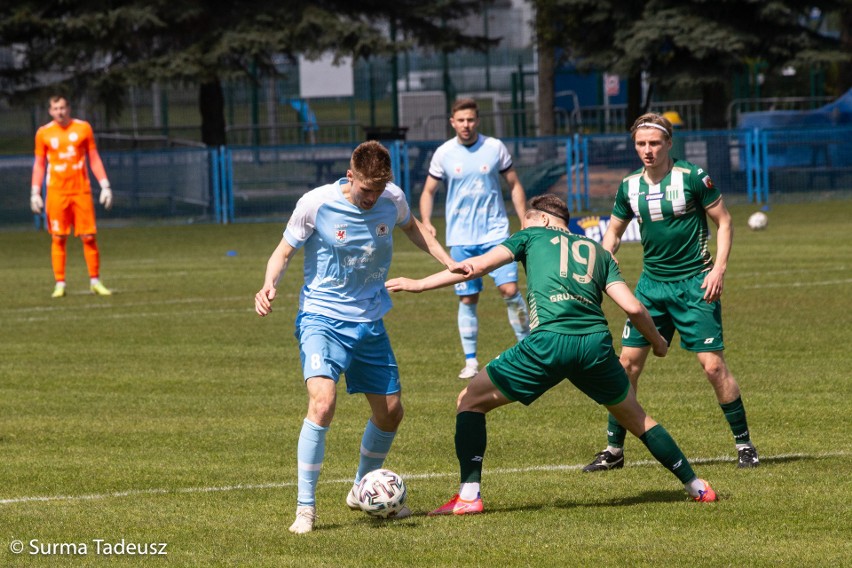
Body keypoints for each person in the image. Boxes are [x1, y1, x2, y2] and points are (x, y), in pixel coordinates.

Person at [386, 195, 718, 516]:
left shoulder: (530, 235)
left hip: (549, 341)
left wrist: (418, 284)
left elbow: (473, 267)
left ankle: (469, 496)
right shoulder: (598, 251)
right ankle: (696, 486)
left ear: (542, 219)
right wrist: (658, 342)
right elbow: (632, 307)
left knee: (470, 400)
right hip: (594, 346)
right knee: (637, 417)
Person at [254, 141, 468, 534]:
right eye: (366, 189)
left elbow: (415, 230)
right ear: (350, 176)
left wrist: (448, 260)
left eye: (379, 189)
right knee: (323, 403)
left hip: (369, 320)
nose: (373, 198)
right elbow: (282, 252)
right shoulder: (315, 204)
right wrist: (268, 285)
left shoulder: (393, 198)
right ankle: (306, 509)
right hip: (321, 318)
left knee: (391, 412)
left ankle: (361, 489)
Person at [583, 112, 758, 473]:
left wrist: (718, 270)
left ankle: (744, 445)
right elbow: (614, 232)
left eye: (654, 143)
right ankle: (613, 449)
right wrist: (602, 261)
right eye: (640, 144)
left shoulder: (693, 178)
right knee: (626, 366)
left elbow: (723, 221)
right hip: (651, 288)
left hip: (695, 284)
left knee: (712, 366)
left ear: (668, 144)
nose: (647, 150)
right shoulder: (629, 186)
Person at [420, 98, 530, 380]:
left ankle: (529, 349)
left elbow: (514, 184)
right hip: (461, 238)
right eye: (461, 120)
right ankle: (471, 361)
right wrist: (428, 222)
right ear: (452, 122)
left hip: (496, 234)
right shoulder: (444, 153)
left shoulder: (495, 148)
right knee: (468, 298)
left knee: (509, 290)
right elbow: (428, 191)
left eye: (470, 120)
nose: (466, 125)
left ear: (477, 121)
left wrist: (524, 219)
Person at [30, 95, 113, 298]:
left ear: (69, 108)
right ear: (50, 111)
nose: (60, 111)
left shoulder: (83, 128)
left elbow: (93, 158)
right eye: (55, 108)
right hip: (57, 193)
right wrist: (34, 192)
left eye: (63, 107)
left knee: (89, 236)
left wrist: (105, 185)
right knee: (58, 237)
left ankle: (95, 281)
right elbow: (39, 164)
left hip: (81, 191)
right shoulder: (44, 133)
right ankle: (60, 283)